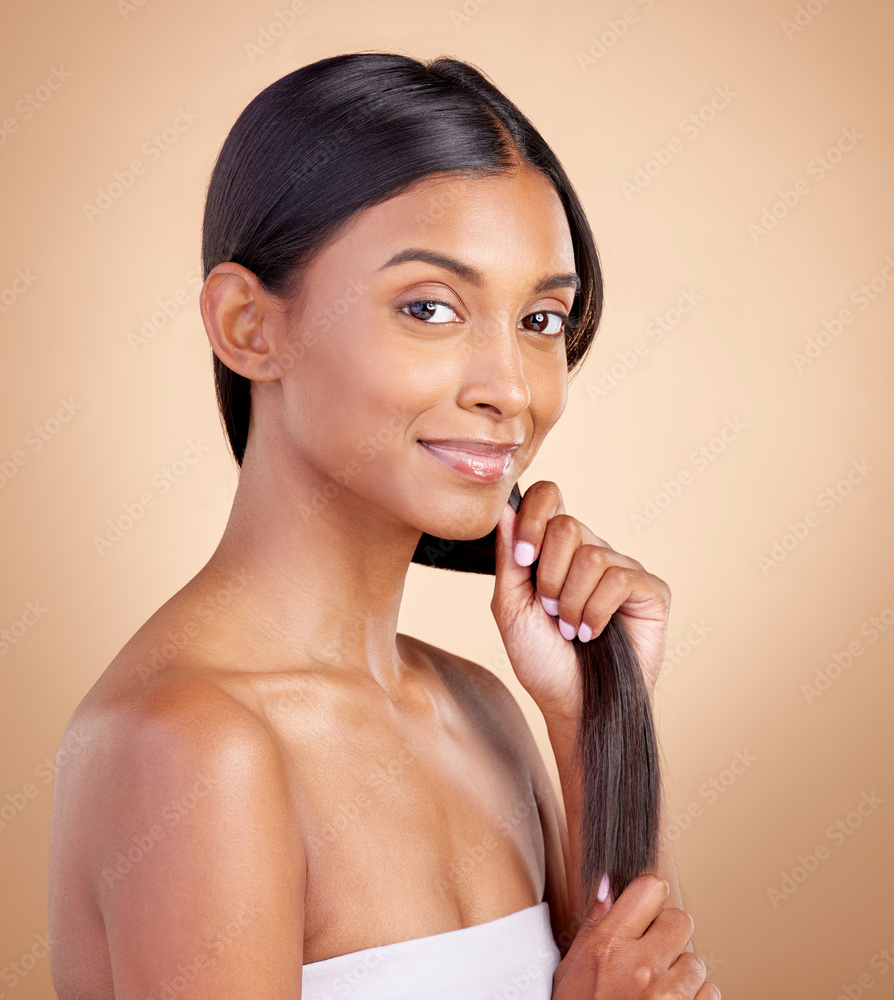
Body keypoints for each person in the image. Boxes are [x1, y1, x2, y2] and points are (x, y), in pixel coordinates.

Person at [47, 51, 720, 1000]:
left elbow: (646, 974)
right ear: (249, 326)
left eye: (540, 319)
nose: (511, 390)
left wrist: (600, 719)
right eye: (431, 307)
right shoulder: (192, 748)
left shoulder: (485, 714)